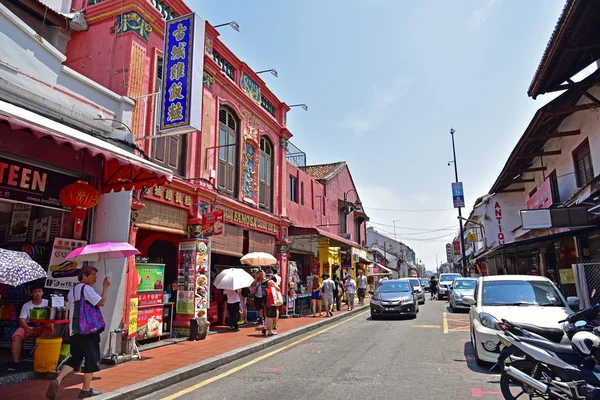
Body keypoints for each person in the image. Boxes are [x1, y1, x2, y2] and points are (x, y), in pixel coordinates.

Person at [46, 266, 109, 400]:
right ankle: (85, 390)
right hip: (88, 331)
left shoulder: (71, 291)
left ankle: (58, 379)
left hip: (75, 331)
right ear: (84, 276)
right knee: (92, 360)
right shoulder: (86, 289)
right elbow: (101, 302)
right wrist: (106, 287)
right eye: (92, 275)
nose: (95, 278)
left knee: (75, 358)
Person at [10, 285, 53, 370]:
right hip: (28, 327)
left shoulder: (48, 303)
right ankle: (15, 363)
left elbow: (52, 318)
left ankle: (40, 362)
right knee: (16, 336)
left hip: (43, 327)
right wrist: (27, 329)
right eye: (35, 292)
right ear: (31, 294)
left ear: (43, 293)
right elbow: (22, 320)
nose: (37, 293)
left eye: (39, 291)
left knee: (47, 336)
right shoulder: (26, 305)